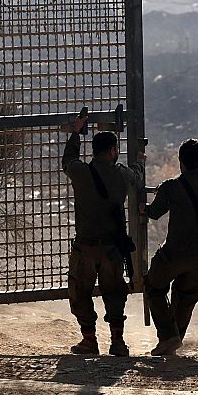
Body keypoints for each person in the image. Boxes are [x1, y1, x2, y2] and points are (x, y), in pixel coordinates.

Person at [62, 110, 145, 356]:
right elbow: (138, 178)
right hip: (111, 248)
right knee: (115, 292)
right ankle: (117, 341)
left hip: (85, 246)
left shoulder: (81, 173)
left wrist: (76, 133)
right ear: (112, 151)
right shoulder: (121, 174)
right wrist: (140, 159)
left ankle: (89, 340)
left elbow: (68, 160)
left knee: (80, 291)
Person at [142, 138, 198, 356]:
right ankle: (177, 337)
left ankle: (168, 336)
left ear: (180, 160)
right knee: (186, 295)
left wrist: (143, 207)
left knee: (153, 286)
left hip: (174, 252)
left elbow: (155, 212)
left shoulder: (170, 187)